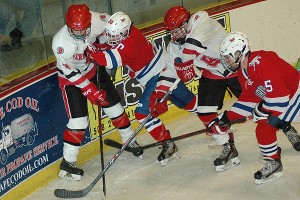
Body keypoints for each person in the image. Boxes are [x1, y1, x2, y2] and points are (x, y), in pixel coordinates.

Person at [88, 12, 201, 166]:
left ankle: (168, 144)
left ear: (124, 32)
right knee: (188, 102)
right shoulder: (129, 33)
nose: (111, 38)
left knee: (142, 114)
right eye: (110, 34)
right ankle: (216, 121)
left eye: (114, 35)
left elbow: (108, 60)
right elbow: (111, 45)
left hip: (158, 76)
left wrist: (89, 51)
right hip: (165, 69)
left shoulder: (129, 44)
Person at [52, 4, 143, 181]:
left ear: (88, 24)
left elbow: (115, 29)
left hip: (93, 69)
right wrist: (91, 91)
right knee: (78, 121)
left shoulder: (97, 20)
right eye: (74, 31)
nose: (79, 34)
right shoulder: (60, 43)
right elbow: (71, 73)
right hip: (71, 81)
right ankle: (67, 164)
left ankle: (129, 141)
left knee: (115, 108)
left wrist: (103, 45)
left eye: (83, 30)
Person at [208, 31, 300, 184]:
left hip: (295, 95)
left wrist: (262, 110)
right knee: (263, 128)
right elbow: (249, 99)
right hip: (288, 100)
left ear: (239, 53)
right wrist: (226, 119)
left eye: (228, 57)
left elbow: (280, 97)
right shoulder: (243, 73)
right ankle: (274, 163)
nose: (226, 61)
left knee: (266, 122)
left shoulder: (261, 61)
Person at [163, 6, 242, 171]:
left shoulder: (201, 19)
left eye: (177, 30)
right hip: (212, 75)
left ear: (186, 22)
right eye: (172, 32)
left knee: (259, 106)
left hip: (235, 69)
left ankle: (286, 127)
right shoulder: (174, 45)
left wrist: (184, 62)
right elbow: (170, 72)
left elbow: (194, 45)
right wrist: (160, 94)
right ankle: (228, 146)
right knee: (205, 113)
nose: (174, 35)